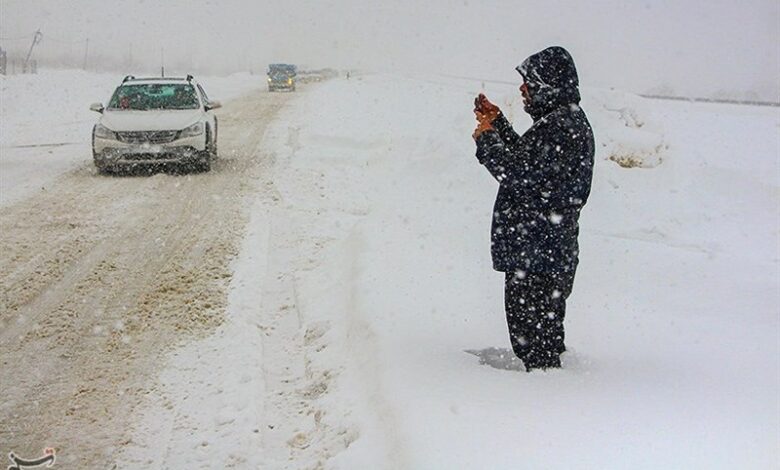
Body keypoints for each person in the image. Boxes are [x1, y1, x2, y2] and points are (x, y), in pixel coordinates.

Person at [472, 46, 594, 371]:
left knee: (537, 352)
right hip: (543, 254)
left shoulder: (562, 127)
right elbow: (530, 162)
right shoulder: (561, 122)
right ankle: (549, 394)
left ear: (549, 84)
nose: (523, 90)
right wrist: (497, 124)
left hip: (538, 258)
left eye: (529, 83)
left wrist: (487, 141)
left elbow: (517, 174)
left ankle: (541, 406)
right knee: (542, 342)